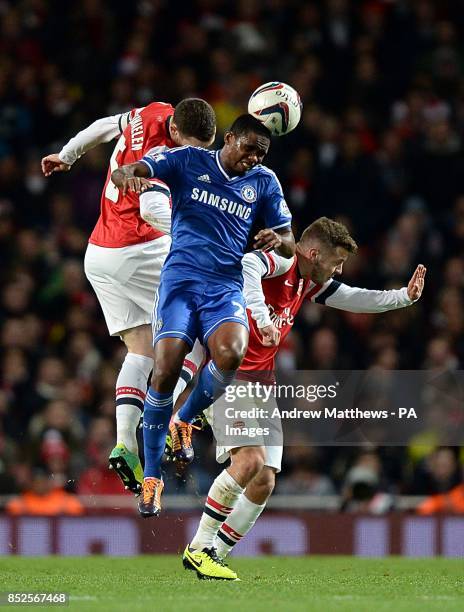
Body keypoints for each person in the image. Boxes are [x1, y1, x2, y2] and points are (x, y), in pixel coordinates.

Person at [179, 217, 425, 580]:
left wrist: (403, 297)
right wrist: (260, 317)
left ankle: (216, 554)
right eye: (336, 262)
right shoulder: (283, 261)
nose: (338, 270)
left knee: (264, 481)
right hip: (230, 375)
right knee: (249, 461)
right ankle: (198, 547)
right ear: (313, 253)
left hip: (264, 385)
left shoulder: (307, 283)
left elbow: (354, 297)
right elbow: (247, 264)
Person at [112, 115, 295, 536]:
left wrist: (277, 239)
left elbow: (289, 237)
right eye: (248, 148)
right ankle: (153, 477)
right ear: (228, 138)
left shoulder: (264, 183)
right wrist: (127, 174)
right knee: (165, 371)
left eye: (260, 154)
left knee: (231, 353)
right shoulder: (189, 160)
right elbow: (141, 168)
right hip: (180, 282)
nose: (253, 158)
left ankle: (184, 419)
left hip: (223, 287)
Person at [41, 98, 216, 494]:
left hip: (100, 254)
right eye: (188, 146)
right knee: (203, 334)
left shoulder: (152, 111)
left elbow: (105, 124)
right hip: (139, 251)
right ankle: (177, 419)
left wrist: (67, 155)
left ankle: (125, 443)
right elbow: (154, 209)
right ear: (174, 132)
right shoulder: (163, 151)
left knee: (140, 350)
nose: (193, 155)